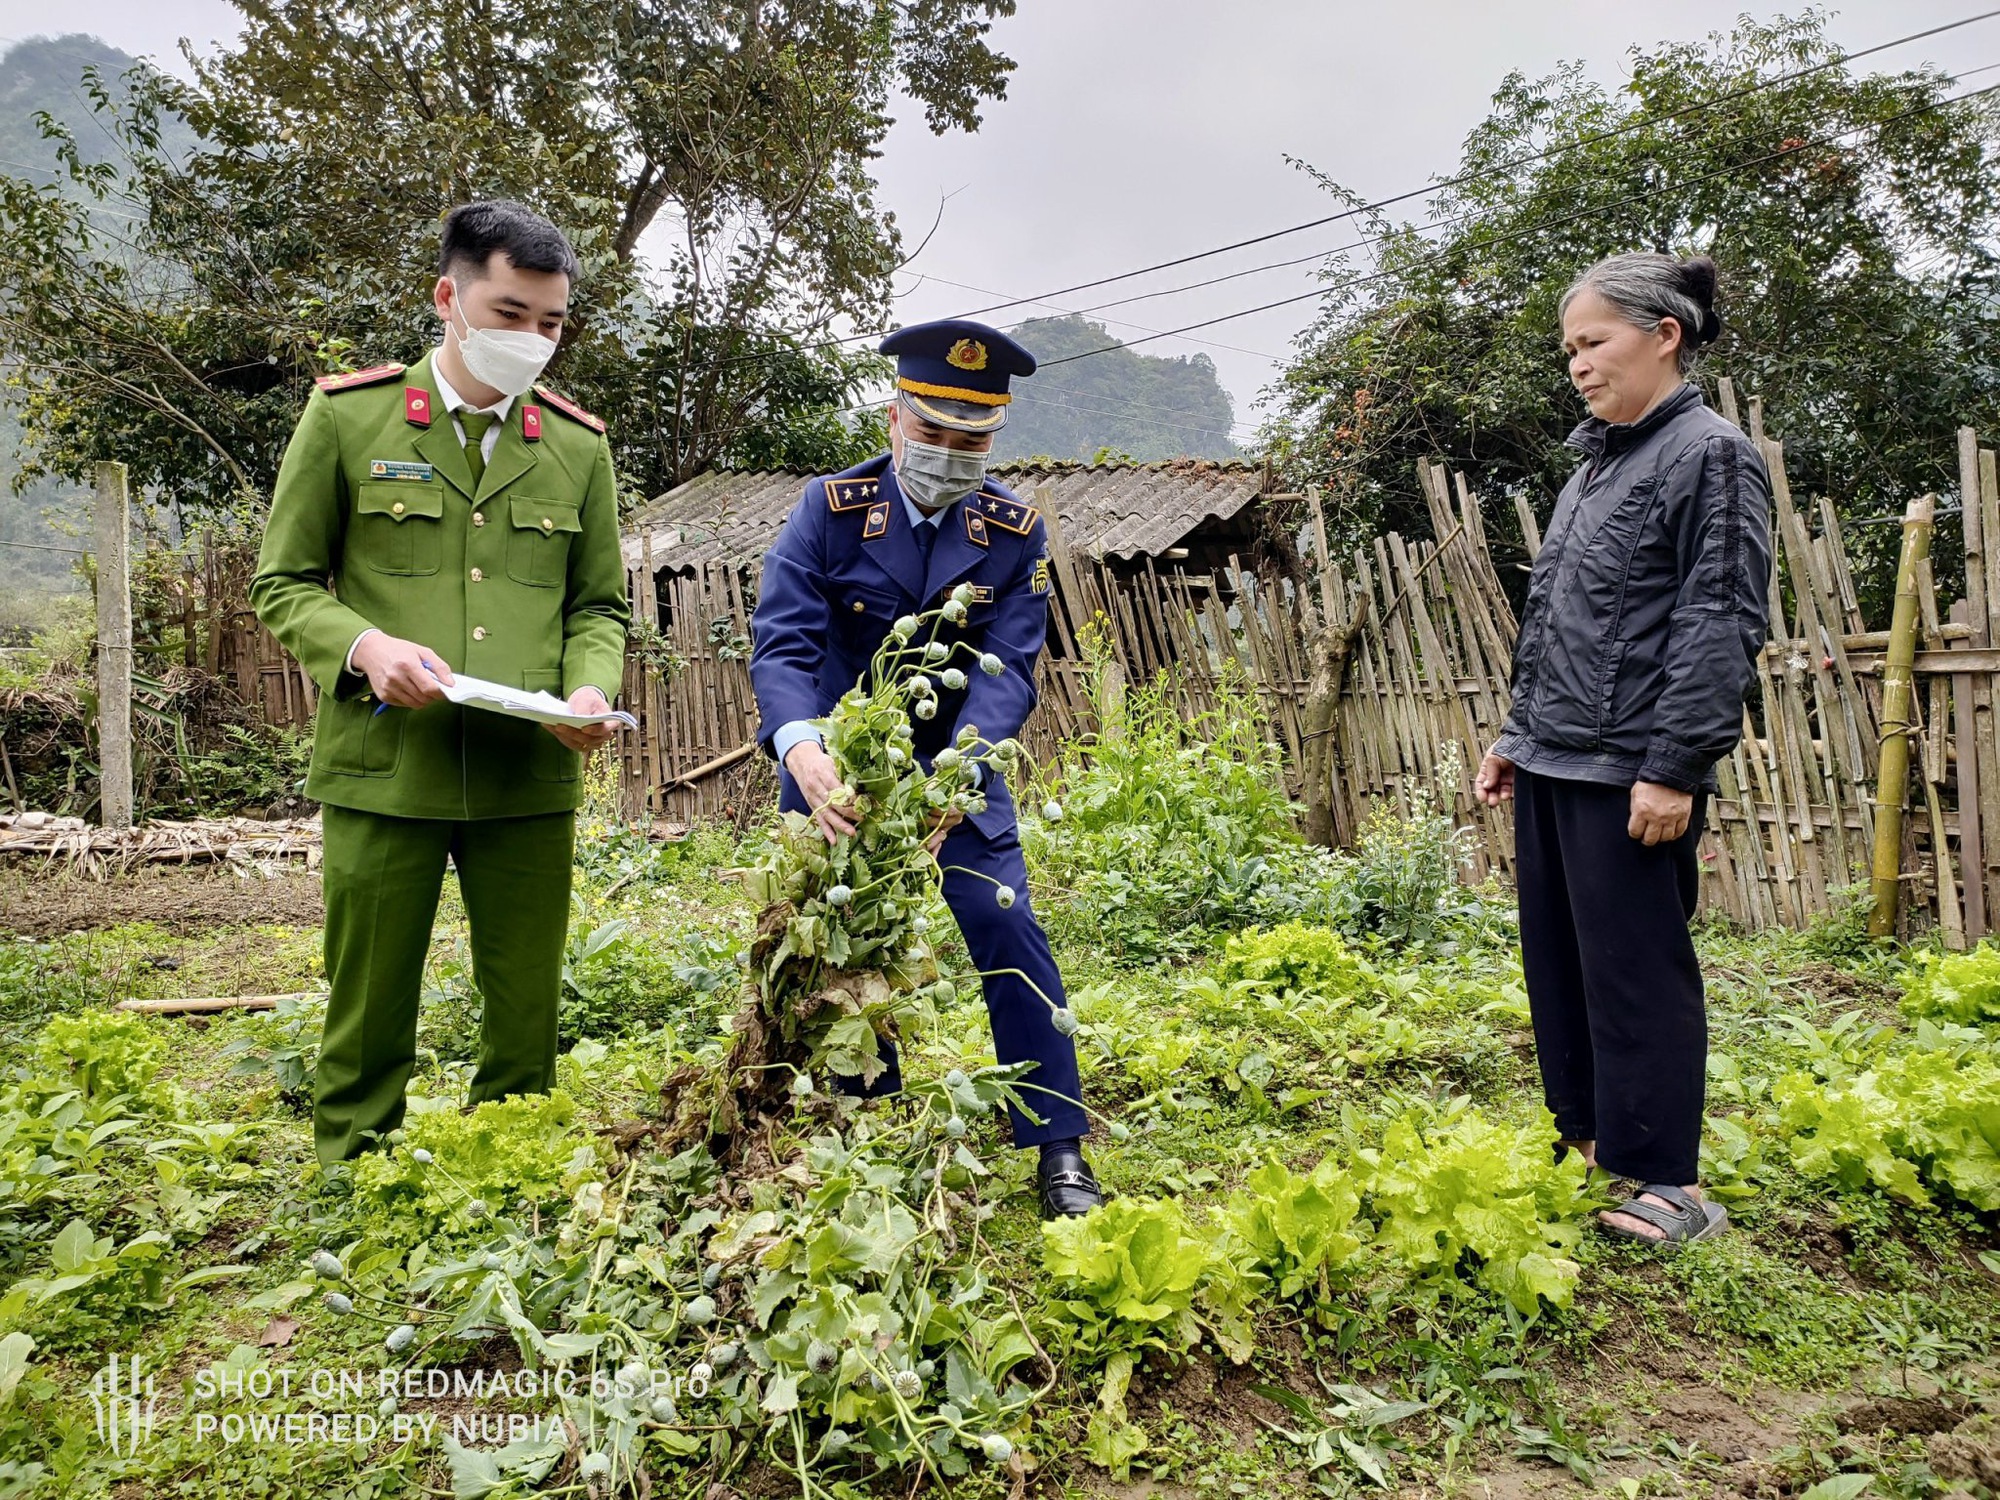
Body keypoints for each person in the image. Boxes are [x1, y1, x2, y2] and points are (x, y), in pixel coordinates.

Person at [251, 200, 631, 1167]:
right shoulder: (349, 418)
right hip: (386, 765)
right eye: (510, 314)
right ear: (449, 299)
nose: (532, 341)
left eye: (550, 323)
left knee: (525, 1006)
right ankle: (354, 1171)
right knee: (370, 994)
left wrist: (588, 691)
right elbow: (284, 583)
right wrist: (364, 646)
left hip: (526, 774)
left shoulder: (579, 448)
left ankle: (510, 1176)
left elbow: (598, 610)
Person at [747, 318, 1104, 1220]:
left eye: (972, 439)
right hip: (838, 774)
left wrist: (956, 775)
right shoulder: (828, 513)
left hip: (956, 774)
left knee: (1005, 927)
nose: (950, 453)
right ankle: (864, 1121)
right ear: (897, 416)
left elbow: (1011, 669)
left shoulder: (1015, 534)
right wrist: (801, 746)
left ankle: (1057, 1145)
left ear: (996, 436)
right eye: (933, 431)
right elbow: (783, 646)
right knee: (843, 943)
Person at [1473, 252, 1771, 1248]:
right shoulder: (1596, 465)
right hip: (1558, 755)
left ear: (1662, 336)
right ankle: (1590, 1141)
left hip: (1627, 765)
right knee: (1560, 963)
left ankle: (1666, 1182)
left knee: (1635, 967)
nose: (1576, 365)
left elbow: (1717, 620)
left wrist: (1673, 765)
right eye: (1568, 349)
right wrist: (1516, 738)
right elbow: (1557, 618)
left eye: (1591, 342)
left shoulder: (1709, 455)